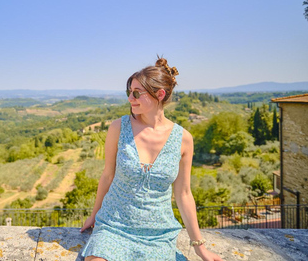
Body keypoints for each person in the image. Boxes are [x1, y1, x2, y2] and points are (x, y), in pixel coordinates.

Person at [79, 57, 223, 261]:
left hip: (158, 235)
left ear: (160, 94)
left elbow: (184, 194)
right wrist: (94, 216)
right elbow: (107, 176)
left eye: (137, 93)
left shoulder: (183, 139)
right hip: (113, 226)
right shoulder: (118, 128)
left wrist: (199, 247)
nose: (130, 98)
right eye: (129, 92)